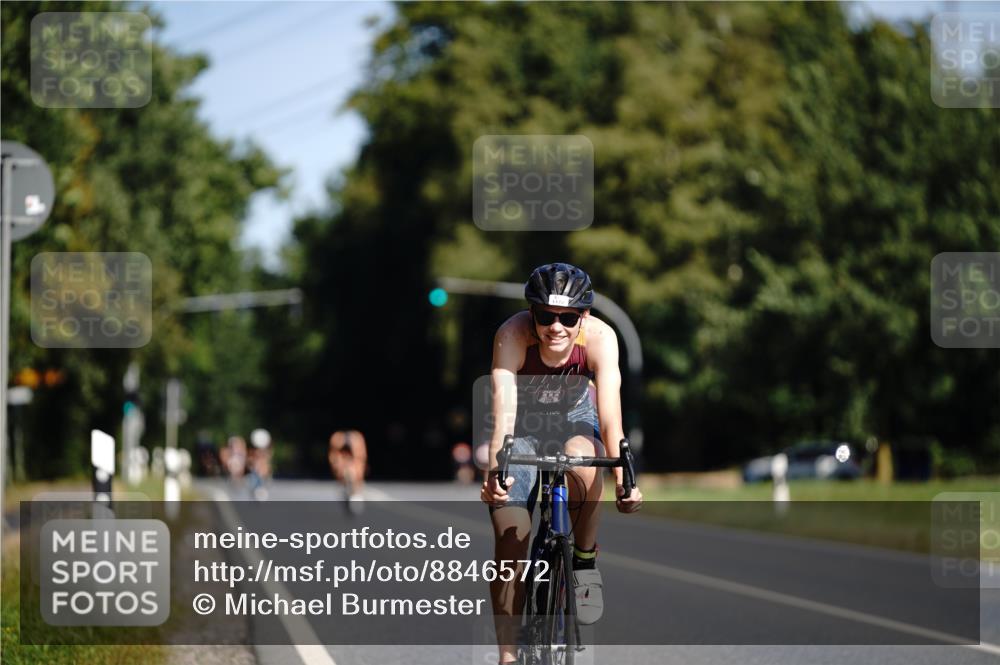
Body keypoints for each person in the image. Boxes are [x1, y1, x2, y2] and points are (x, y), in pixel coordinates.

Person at [479, 262, 643, 665]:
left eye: (568, 318)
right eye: (547, 317)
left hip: (575, 420)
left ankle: (584, 560)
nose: (557, 327)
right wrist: (494, 473)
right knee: (510, 537)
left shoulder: (602, 338)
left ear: (583, 317)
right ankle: (508, 655)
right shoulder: (511, 335)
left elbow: (610, 417)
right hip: (522, 427)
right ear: (531, 314)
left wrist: (625, 479)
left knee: (583, 459)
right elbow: (503, 410)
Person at [328, 429, 368, 505]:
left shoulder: (357, 439)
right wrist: (337, 468)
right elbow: (333, 457)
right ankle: (346, 489)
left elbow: (361, 457)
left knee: (356, 472)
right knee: (341, 471)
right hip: (342, 458)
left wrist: (360, 473)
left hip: (355, 457)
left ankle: (356, 492)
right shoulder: (337, 439)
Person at [247, 428, 273, 500]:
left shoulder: (265, 452)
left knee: (261, 477)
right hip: (256, 469)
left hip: (260, 470)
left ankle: (260, 489)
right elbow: (251, 459)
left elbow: (268, 458)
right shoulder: (254, 452)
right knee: (256, 478)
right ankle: (257, 490)